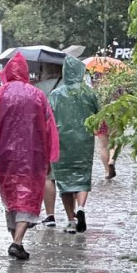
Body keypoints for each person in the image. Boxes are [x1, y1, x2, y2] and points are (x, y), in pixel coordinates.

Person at [0, 53, 59, 260]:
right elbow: (49, 127)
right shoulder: (38, 95)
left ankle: (17, 241)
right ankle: (17, 241)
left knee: (11, 196)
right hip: (33, 153)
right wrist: (50, 155)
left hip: (6, 154)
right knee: (29, 195)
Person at [49, 57, 101, 233]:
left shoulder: (55, 94)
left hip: (61, 141)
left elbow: (48, 118)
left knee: (64, 180)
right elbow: (99, 114)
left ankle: (71, 220)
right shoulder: (89, 92)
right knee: (82, 176)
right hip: (84, 140)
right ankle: (81, 207)